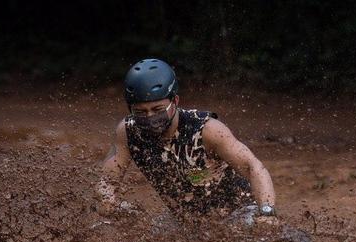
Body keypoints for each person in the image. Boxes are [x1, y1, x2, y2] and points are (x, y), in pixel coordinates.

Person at [95, 58, 278, 226]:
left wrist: (267, 212)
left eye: (157, 109)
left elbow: (254, 166)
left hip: (237, 213)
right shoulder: (128, 132)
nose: (150, 117)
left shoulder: (207, 129)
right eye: (140, 112)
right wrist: (106, 198)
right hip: (185, 221)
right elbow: (107, 181)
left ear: (174, 101)